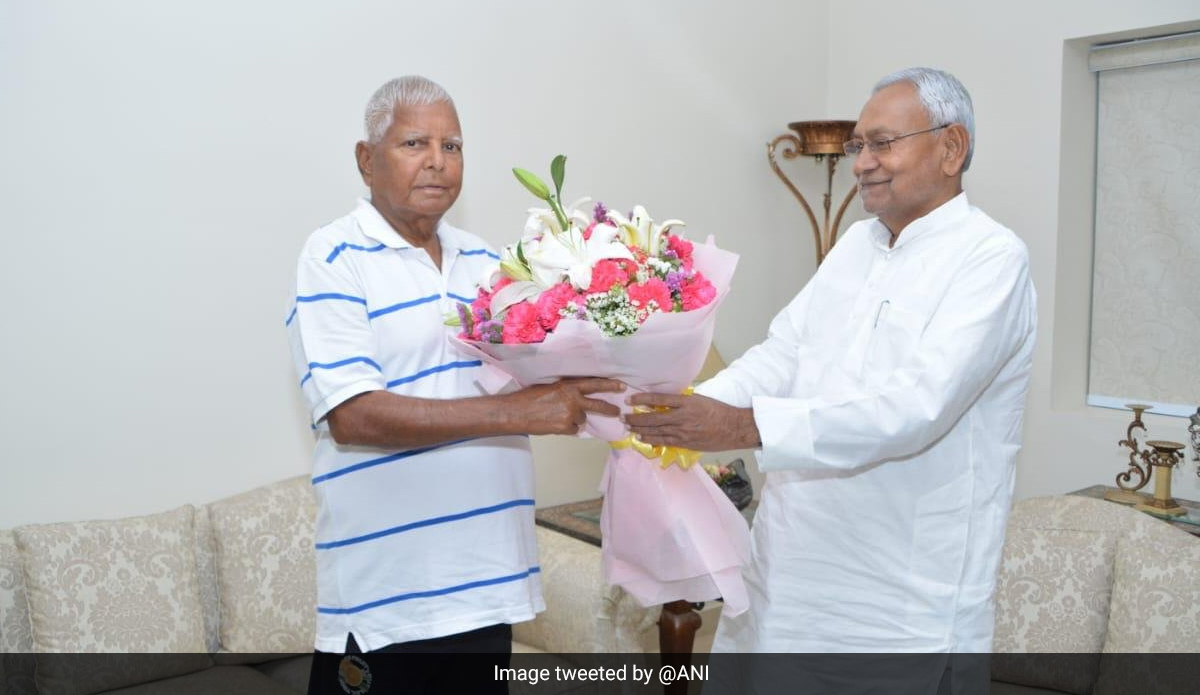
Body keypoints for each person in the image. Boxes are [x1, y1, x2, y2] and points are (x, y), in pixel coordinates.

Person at [626, 68, 1037, 678]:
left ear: (951, 149)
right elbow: (783, 354)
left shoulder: (991, 259)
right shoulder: (855, 246)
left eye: (881, 143)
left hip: (900, 602)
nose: (862, 163)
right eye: (856, 146)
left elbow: (915, 410)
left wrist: (740, 427)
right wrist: (680, 412)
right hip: (788, 579)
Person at [286, 75, 621, 694]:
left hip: (487, 583)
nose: (438, 161)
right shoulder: (333, 256)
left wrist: (622, 327)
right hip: (387, 600)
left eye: (454, 146)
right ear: (366, 160)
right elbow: (353, 417)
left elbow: (543, 379)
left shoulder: (491, 264)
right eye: (415, 143)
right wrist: (524, 412)